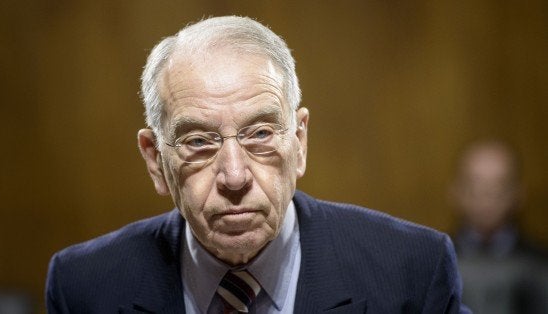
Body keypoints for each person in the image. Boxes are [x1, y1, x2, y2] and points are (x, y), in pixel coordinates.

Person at [45, 16, 469, 313]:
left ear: (299, 142)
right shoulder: (83, 285)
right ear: (156, 160)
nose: (234, 176)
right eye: (198, 141)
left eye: (261, 134)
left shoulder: (412, 271)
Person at [450, 140, 547, 313]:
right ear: (456, 192)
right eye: (476, 186)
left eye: (498, 187)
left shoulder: (540, 264)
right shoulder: (436, 264)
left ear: (518, 193)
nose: (487, 198)